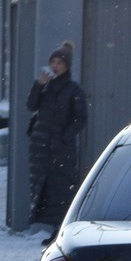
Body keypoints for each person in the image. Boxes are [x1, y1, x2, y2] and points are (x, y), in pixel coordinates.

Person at [27, 41, 88, 233]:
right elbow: (31, 105)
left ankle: (59, 230)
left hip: (62, 150)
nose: (55, 66)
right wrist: (39, 85)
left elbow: (81, 118)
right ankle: (51, 229)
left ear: (67, 65)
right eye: (53, 62)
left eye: (59, 62)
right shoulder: (45, 87)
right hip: (42, 148)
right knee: (43, 187)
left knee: (62, 189)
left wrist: (65, 136)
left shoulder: (74, 90)